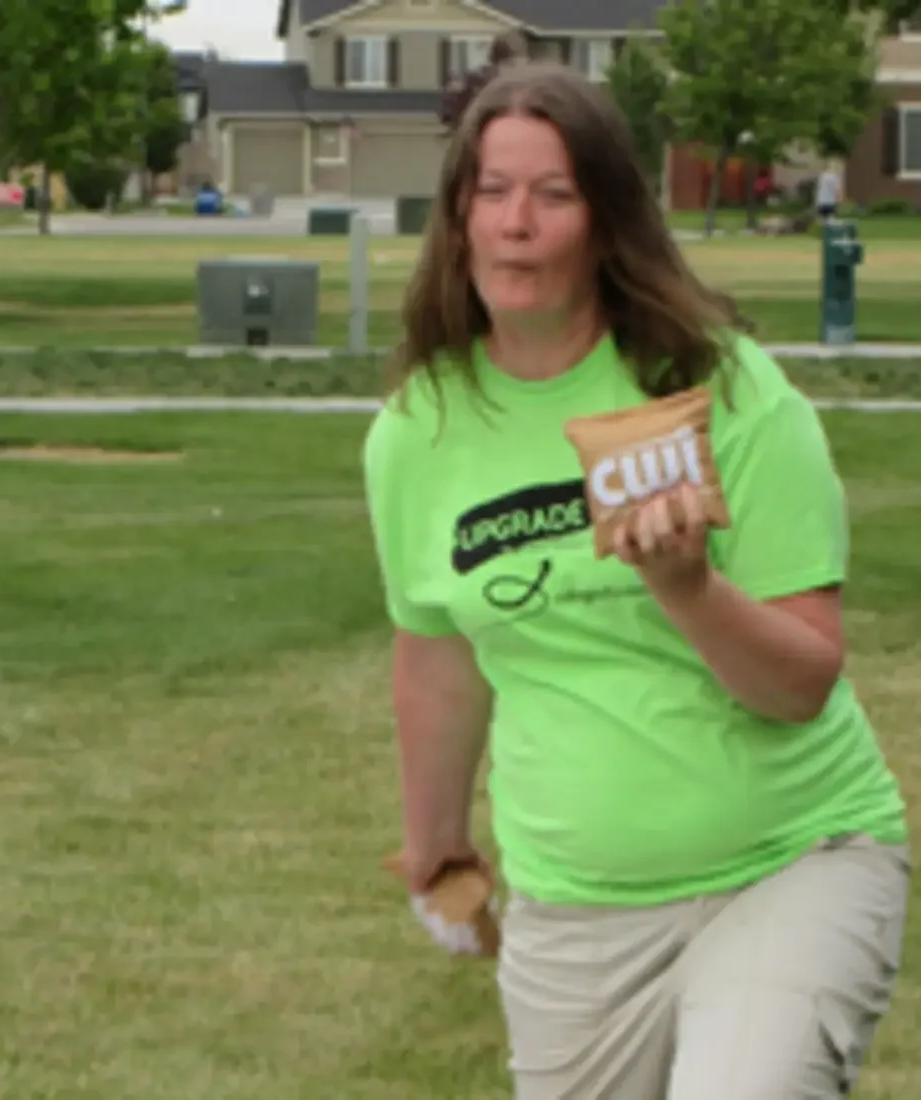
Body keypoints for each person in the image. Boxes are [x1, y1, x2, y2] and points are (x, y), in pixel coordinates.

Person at [362, 60, 909, 1100]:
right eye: (489, 189)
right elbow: (436, 660)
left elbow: (801, 682)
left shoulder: (725, 388)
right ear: (456, 216)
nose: (514, 221)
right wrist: (433, 847)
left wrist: (684, 587)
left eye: (552, 192)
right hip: (577, 904)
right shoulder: (414, 432)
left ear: (606, 221)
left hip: (788, 861)